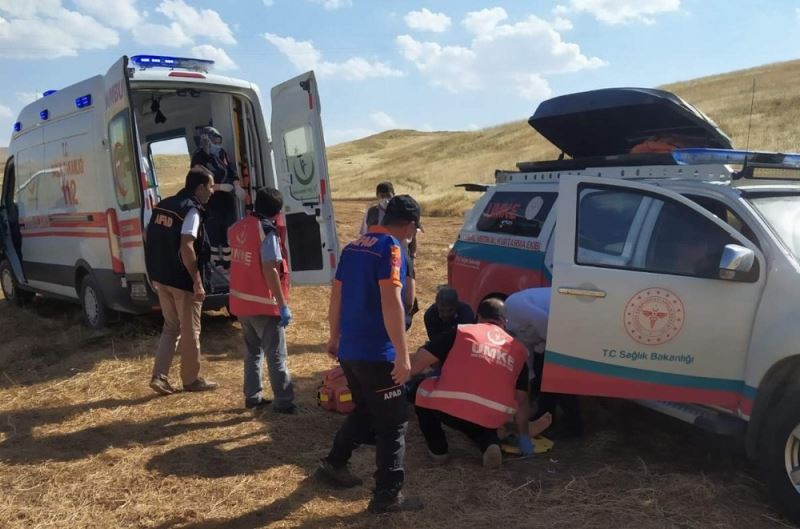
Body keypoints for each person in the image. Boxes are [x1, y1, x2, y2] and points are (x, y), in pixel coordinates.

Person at [315, 195, 423, 514]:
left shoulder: (353, 247)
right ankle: (387, 495)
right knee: (393, 423)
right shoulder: (392, 249)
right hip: (377, 353)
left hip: (350, 350)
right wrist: (402, 355)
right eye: (415, 229)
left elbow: (336, 297)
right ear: (410, 226)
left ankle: (334, 463)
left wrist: (334, 336)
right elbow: (392, 302)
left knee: (365, 410)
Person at [410, 298, 548, 468]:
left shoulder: (462, 332)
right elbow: (521, 400)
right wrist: (525, 439)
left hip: (450, 406)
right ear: (505, 322)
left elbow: (418, 364)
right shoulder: (518, 350)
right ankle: (490, 443)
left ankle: (438, 451)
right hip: (493, 415)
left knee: (420, 390)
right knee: (482, 416)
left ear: (478, 317)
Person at [145, 167, 219, 395]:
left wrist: (154, 273)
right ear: (199, 188)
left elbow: (149, 237)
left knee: (171, 327)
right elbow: (187, 246)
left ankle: (159, 376)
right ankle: (191, 380)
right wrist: (197, 281)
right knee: (190, 331)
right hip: (182, 281)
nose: (212, 191)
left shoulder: (163, 205)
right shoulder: (192, 211)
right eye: (210, 186)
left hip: (162, 278)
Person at [228, 187, 296, 413]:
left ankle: (252, 396)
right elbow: (270, 269)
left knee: (252, 352)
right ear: (277, 212)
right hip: (263, 305)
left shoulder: (238, 227)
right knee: (276, 355)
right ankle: (284, 402)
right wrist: (282, 305)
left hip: (240, 303)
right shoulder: (267, 232)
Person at [505, 287, 583, 440]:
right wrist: (525, 401)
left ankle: (574, 426)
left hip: (568, 322)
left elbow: (549, 327)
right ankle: (545, 417)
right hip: (550, 333)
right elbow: (528, 367)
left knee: (560, 379)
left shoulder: (516, 308)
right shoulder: (514, 333)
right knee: (543, 376)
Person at [191, 126, 246, 268]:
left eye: (218, 141)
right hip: (211, 202)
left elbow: (230, 170)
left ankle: (229, 264)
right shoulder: (198, 157)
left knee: (228, 233)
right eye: (214, 141)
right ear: (205, 140)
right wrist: (218, 187)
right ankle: (216, 265)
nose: (217, 144)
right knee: (214, 235)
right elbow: (197, 181)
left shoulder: (221, 153)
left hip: (227, 201)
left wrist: (237, 185)